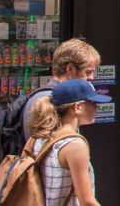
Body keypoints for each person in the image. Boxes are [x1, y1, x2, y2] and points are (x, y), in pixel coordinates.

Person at [27, 78, 112, 206]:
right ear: (78, 107)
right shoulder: (75, 145)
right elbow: (87, 202)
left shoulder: (40, 136)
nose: (97, 107)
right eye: (93, 102)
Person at [22, 38, 102, 140]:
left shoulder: (50, 96)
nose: (91, 77)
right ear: (70, 69)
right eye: (88, 72)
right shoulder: (50, 99)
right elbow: (49, 149)